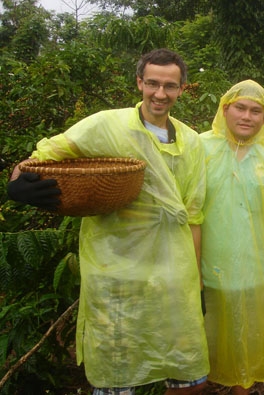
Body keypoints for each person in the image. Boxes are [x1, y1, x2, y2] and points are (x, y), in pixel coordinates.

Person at [6, 49, 209, 395]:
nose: (160, 94)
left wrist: (196, 282)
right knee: (118, 365)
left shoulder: (191, 141)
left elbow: (193, 215)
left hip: (173, 270)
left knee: (187, 370)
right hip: (116, 267)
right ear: (139, 83)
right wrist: (16, 186)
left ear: (182, 89)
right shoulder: (107, 125)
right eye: (153, 84)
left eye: (170, 86)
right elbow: (41, 157)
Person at [199, 80, 264, 394]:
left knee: (246, 352)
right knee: (201, 353)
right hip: (206, 274)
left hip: (255, 274)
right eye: (240, 108)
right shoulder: (200, 148)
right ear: (225, 109)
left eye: (257, 111)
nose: (247, 116)